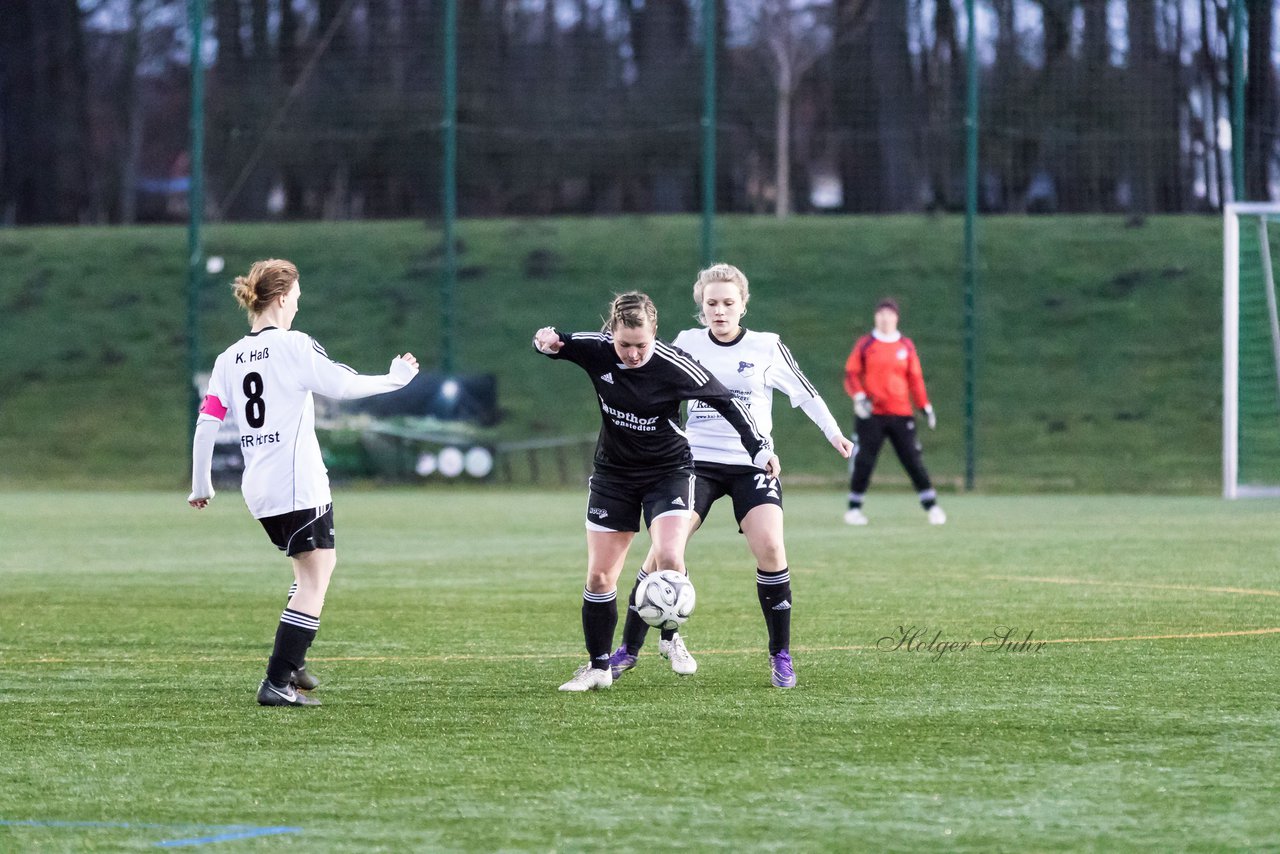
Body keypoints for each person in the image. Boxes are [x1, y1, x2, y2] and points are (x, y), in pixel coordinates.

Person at [187, 258, 419, 707]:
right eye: (295, 296)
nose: (297, 303)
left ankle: (293, 663)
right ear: (280, 297)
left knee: (307, 571)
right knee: (317, 576)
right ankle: (277, 680)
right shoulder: (293, 345)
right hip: (297, 483)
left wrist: (202, 484)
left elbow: (207, 422)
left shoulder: (228, 358)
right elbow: (343, 384)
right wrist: (396, 379)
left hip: (260, 489)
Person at [609, 263, 852, 689]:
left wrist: (834, 434)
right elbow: (646, 373)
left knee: (772, 548)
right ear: (701, 308)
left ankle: (781, 656)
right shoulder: (684, 343)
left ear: (743, 304)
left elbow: (805, 392)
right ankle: (629, 650)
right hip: (692, 462)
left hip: (752, 463)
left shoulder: (767, 346)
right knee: (665, 550)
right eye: (711, 304)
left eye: (727, 303)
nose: (719, 311)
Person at [533, 291, 779, 692]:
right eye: (624, 344)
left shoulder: (674, 365)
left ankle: (669, 636)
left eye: (641, 345)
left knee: (668, 554)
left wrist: (759, 448)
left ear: (654, 335)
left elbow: (725, 401)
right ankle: (597, 667)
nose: (632, 354)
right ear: (611, 333)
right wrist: (545, 342)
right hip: (614, 476)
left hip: (669, 472)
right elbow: (557, 342)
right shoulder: (597, 349)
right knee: (599, 576)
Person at [842, 297, 946, 526]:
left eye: (889, 314)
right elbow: (851, 374)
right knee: (864, 461)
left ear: (896, 318)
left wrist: (924, 406)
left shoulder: (905, 346)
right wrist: (859, 397)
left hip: (900, 413)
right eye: (881, 314)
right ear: (875, 317)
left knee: (912, 459)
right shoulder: (866, 344)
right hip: (871, 415)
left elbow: (915, 379)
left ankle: (932, 507)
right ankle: (854, 508)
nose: (885, 318)